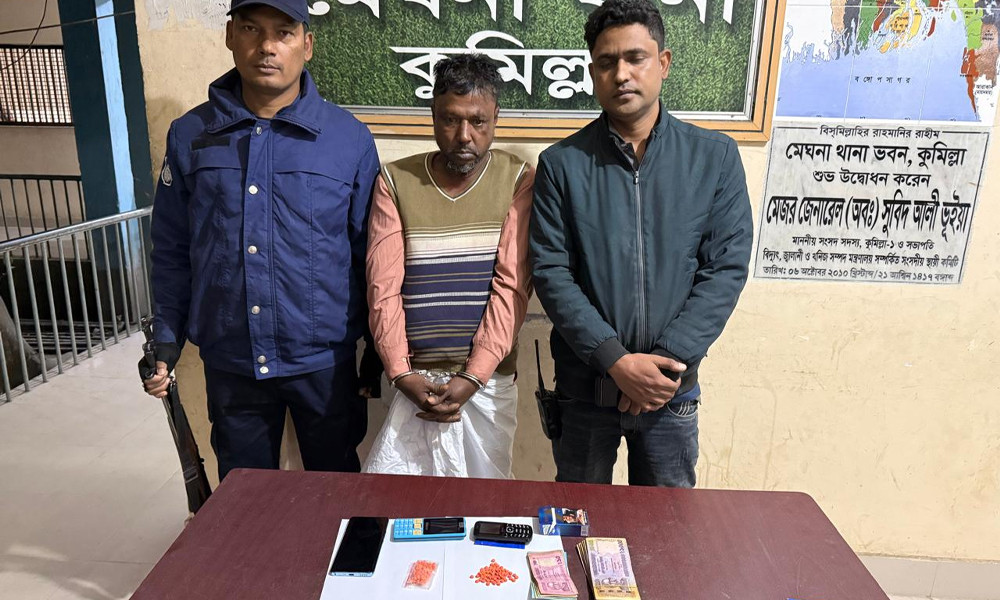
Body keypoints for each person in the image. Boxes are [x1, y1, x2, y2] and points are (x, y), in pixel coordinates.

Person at [143, 0, 381, 481]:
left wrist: (377, 350)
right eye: (252, 29)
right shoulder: (190, 135)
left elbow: (372, 255)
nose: (267, 46)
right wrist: (167, 340)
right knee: (244, 499)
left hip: (324, 364)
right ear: (230, 35)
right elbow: (172, 250)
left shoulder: (348, 139)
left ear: (307, 44)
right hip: (232, 361)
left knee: (337, 493)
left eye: (283, 33)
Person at [529, 0, 753, 487]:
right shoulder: (562, 165)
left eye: (636, 58)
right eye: (606, 62)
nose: (621, 74)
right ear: (593, 72)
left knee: (667, 526)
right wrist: (615, 360)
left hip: (670, 395)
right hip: (585, 395)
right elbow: (551, 273)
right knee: (578, 521)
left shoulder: (713, 158)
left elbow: (725, 270)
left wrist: (662, 367)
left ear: (663, 63)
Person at [363, 54, 534, 478]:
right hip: (411, 381)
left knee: (485, 503)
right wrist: (400, 372)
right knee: (405, 506)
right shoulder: (395, 180)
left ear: (496, 117)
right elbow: (383, 287)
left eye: (478, 122)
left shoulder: (517, 178)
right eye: (450, 120)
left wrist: (473, 377)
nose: (463, 136)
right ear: (433, 116)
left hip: (487, 384)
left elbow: (512, 286)